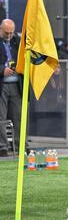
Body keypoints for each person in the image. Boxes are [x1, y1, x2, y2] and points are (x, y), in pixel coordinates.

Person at [0, 19, 22, 156]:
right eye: (6, 33)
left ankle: (20, 145)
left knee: (18, 116)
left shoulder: (18, 41)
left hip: (16, 84)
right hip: (2, 84)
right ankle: (2, 147)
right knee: (1, 117)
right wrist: (2, 70)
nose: (9, 35)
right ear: (0, 29)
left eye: (11, 33)